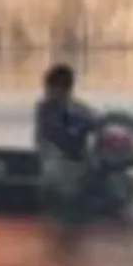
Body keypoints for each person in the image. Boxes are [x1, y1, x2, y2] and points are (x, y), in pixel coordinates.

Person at [34, 63, 98, 193]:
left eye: (62, 87)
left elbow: (97, 122)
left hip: (77, 162)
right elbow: (55, 134)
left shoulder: (80, 109)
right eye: (51, 88)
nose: (52, 92)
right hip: (53, 164)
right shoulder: (45, 109)